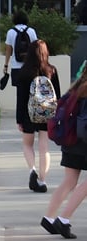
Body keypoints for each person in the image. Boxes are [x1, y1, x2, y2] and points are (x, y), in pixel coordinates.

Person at [42, 67, 87, 239]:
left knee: (69, 181)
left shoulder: (76, 88)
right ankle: (64, 219)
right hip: (82, 144)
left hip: (70, 141)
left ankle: (49, 217)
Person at [16, 39, 61, 193]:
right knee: (44, 147)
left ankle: (32, 170)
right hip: (47, 113)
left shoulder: (24, 72)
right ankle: (42, 181)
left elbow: (21, 98)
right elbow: (58, 97)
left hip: (29, 113)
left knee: (27, 144)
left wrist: (19, 119)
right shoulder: (52, 70)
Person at [4, 9, 38, 100]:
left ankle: (20, 113)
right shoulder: (31, 31)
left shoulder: (10, 32)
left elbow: (8, 50)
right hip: (30, 67)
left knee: (20, 95)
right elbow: (36, 48)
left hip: (16, 67)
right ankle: (29, 113)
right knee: (31, 94)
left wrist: (6, 65)